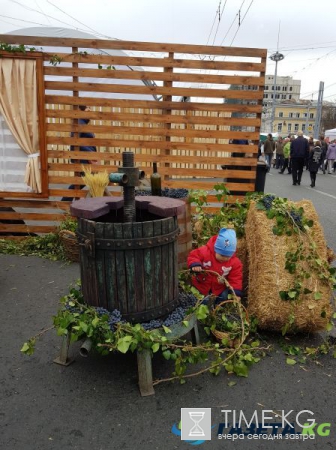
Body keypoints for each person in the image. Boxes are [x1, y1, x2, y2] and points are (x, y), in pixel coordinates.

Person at [187, 228, 243, 304]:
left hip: (218, 288)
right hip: (201, 284)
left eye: (228, 256)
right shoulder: (205, 252)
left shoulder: (235, 262)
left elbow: (236, 278)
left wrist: (235, 293)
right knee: (200, 301)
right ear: (216, 249)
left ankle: (218, 308)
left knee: (223, 297)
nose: (225, 258)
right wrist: (195, 264)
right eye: (222, 255)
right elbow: (194, 255)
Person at [62, 105, 98, 201]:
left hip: (85, 158)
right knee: (81, 181)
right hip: (82, 158)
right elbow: (75, 141)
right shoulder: (79, 123)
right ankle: (65, 201)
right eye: (88, 109)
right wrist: (90, 153)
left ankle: (67, 201)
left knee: (81, 181)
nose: (90, 112)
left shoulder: (83, 124)